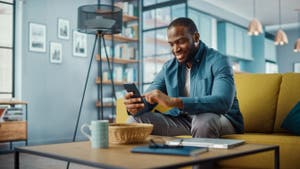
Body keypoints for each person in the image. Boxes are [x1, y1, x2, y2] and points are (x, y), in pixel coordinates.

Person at [124, 17, 244, 138]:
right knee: (135, 121)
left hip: (221, 118)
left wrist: (175, 102)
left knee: (202, 122)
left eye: (181, 42)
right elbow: (150, 97)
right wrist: (136, 106)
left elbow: (222, 102)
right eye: (171, 44)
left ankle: (201, 157)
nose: (175, 49)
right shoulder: (169, 67)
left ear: (196, 38)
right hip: (183, 121)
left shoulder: (219, 61)